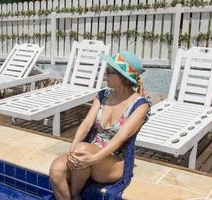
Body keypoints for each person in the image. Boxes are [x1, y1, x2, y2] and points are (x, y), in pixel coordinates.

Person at [49, 51, 150, 200]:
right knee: (56, 170)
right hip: (86, 153)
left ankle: (76, 195)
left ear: (122, 78)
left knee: (82, 150)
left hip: (114, 162)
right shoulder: (103, 95)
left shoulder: (140, 106)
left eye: (108, 72)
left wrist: (94, 158)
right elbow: (86, 123)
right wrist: (73, 147)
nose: (104, 75)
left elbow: (120, 139)